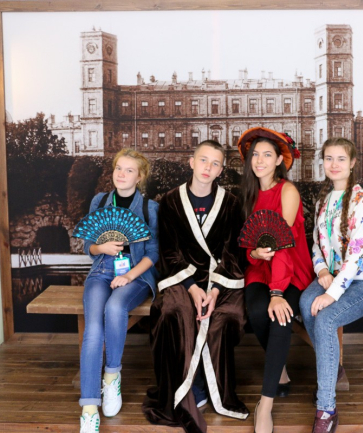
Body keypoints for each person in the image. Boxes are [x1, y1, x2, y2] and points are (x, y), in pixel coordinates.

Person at [142, 140, 249, 433]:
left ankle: (213, 388)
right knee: (172, 312)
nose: (207, 168)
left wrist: (214, 290)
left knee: (226, 317)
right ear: (191, 162)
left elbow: (232, 252)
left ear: (221, 170)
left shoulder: (231, 203)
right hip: (182, 277)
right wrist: (191, 286)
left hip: (220, 279)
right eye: (203, 160)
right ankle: (187, 387)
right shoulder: (170, 201)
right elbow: (169, 251)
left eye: (215, 163)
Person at [300, 137, 363, 433]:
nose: (334, 164)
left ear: (352, 163)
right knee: (305, 304)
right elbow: (316, 243)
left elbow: (356, 256)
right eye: (329, 158)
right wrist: (322, 270)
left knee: (325, 320)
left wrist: (332, 294)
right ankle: (332, 368)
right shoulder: (323, 200)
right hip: (334, 276)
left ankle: (326, 408)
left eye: (340, 159)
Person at [237, 127, 315, 433]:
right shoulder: (248, 193)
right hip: (260, 267)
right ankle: (278, 366)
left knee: (279, 318)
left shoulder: (287, 191)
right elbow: (247, 245)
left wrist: (278, 292)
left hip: (290, 269)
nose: (259, 160)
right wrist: (254, 252)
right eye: (255, 154)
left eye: (267, 155)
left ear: (279, 160)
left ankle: (265, 405)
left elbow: (283, 242)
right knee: (256, 310)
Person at [79, 149, 160, 433]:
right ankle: (89, 408)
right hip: (101, 272)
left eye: (129, 170)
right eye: (118, 168)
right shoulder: (100, 201)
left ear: (140, 177)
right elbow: (88, 246)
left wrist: (128, 276)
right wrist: (100, 247)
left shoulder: (149, 208)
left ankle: (112, 376)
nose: (121, 174)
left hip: (135, 274)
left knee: (115, 307)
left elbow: (153, 254)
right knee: (92, 329)